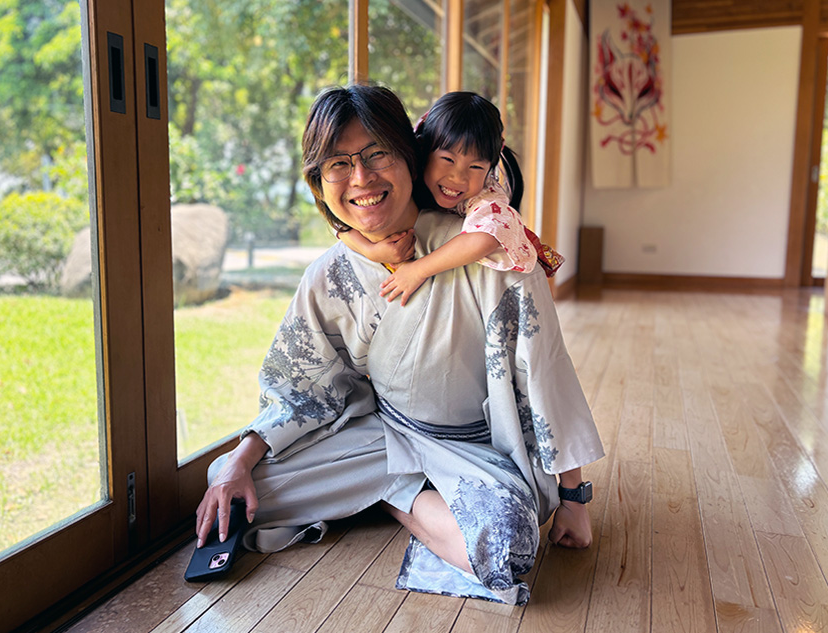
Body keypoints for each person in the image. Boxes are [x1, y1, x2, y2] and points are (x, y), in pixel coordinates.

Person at [195, 84, 604, 605]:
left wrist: (573, 496)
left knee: (506, 548)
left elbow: (546, 377)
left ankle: (391, 495)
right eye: (339, 164)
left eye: (376, 155)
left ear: (411, 156)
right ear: (320, 182)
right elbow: (298, 388)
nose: (361, 179)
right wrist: (240, 458)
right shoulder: (330, 273)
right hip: (384, 435)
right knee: (236, 492)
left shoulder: (493, 255)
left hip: (476, 450)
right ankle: (398, 486)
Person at [338, 91, 564, 306]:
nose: (458, 177)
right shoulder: (404, 173)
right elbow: (340, 223)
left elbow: (485, 238)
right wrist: (370, 250)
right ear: (423, 149)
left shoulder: (486, 197)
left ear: (489, 170)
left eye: (476, 166)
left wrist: (419, 270)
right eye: (447, 159)